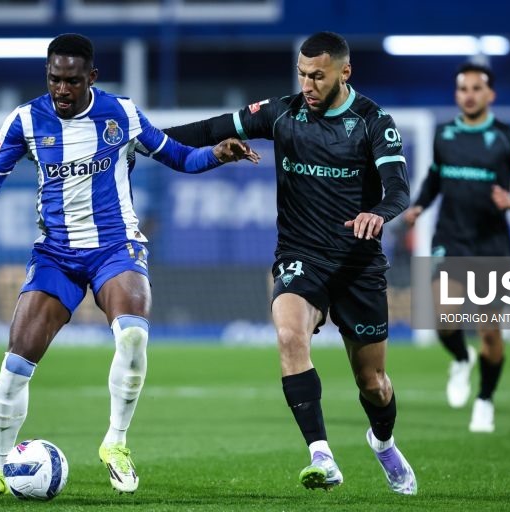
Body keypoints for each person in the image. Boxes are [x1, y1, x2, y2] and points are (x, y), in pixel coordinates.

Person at [0, 33, 257, 497]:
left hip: (115, 247)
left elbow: (179, 157)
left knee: (133, 334)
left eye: (71, 81)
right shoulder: (26, 120)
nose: (61, 90)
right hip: (56, 255)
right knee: (15, 365)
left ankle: (116, 443)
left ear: (92, 77)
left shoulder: (121, 114)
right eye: (54, 80)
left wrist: (216, 155)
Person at [163, 31, 416, 495]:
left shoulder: (373, 121)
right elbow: (210, 128)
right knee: (288, 335)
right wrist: (141, 142)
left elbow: (399, 188)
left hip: (358, 265)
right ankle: (321, 454)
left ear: (345, 72)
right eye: (302, 75)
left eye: (318, 76)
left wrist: (378, 213)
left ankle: (383, 442)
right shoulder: (282, 113)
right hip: (301, 257)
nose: (308, 85)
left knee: (373, 382)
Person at [402, 63, 510, 433]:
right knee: (442, 318)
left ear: (490, 94)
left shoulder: (508, 137)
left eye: (477, 88)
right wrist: (419, 205)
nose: (469, 95)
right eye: (463, 88)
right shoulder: (445, 134)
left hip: (491, 245)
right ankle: (462, 359)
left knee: (490, 332)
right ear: (456, 94)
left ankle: (484, 400)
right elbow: (435, 177)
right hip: (450, 239)